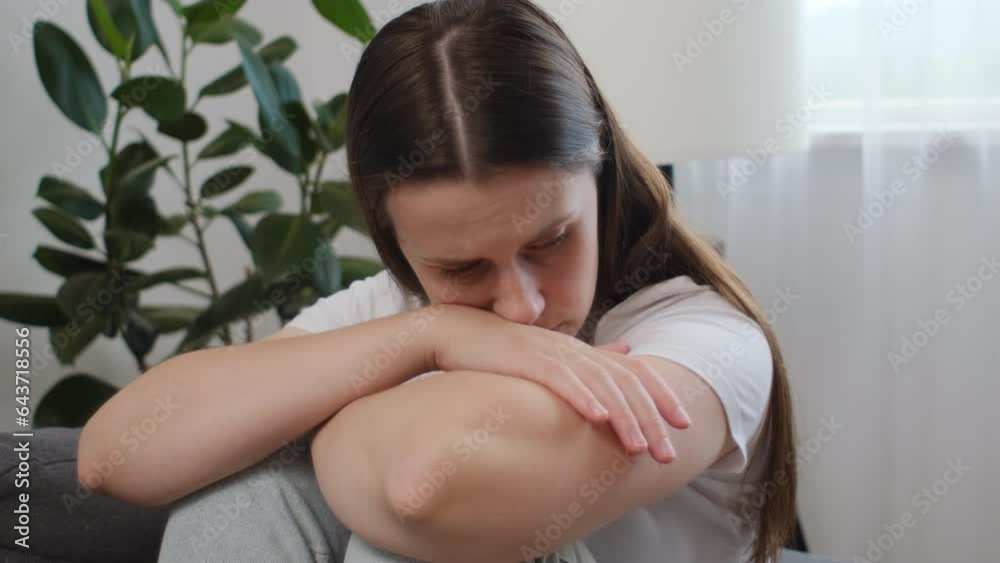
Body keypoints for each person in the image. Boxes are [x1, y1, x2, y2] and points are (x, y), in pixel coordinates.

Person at [77, 1, 798, 561]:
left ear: (600, 183)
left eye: (551, 240)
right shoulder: (400, 313)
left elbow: (426, 484)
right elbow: (111, 457)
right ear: (395, 241)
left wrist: (326, 415)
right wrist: (432, 332)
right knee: (243, 493)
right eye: (460, 269)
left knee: (426, 539)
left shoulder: (703, 342)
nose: (520, 306)